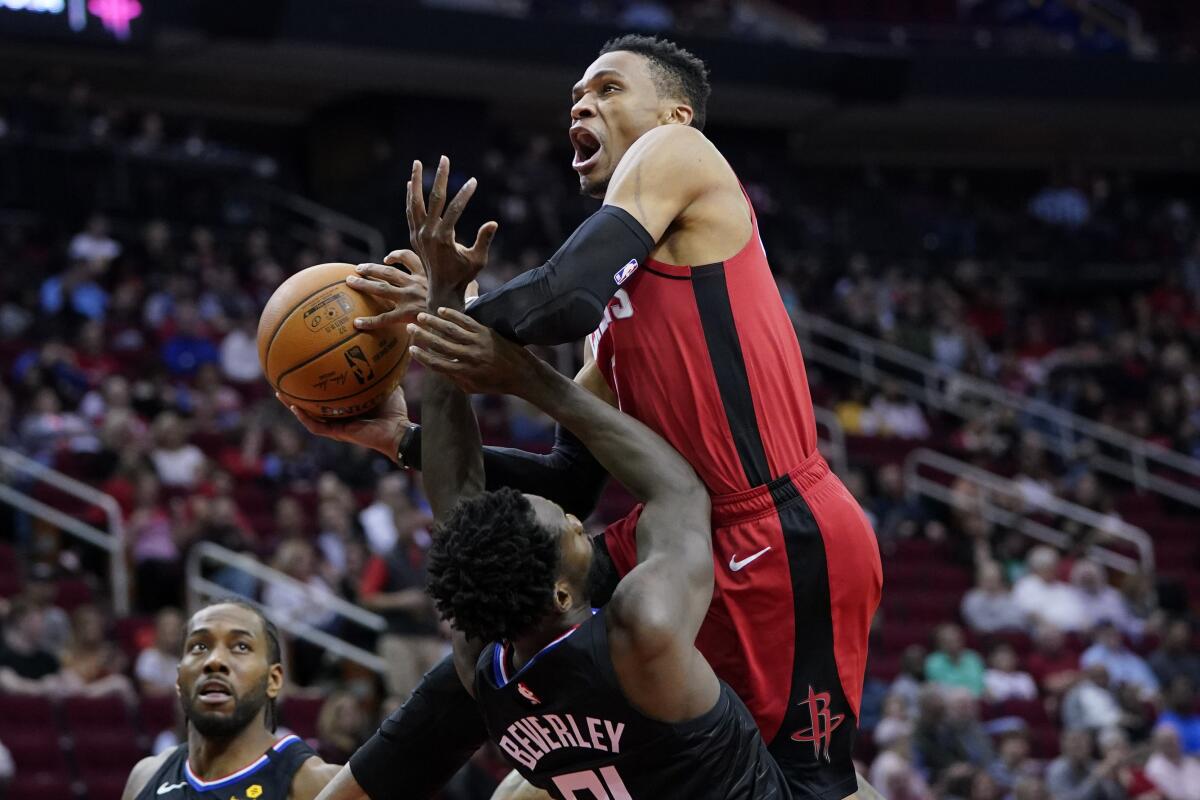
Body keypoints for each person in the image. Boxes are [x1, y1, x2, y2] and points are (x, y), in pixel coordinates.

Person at [304, 33, 882, 800]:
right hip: (671, 528)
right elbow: (566, 485)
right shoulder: (610, 329)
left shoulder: (681, 149)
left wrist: (450, 311)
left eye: (608, 89)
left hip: (780, 532)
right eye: (577, 96)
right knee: (495, 625)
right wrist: (400, 439)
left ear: (674, 111)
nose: (583, 103)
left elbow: (559, 291)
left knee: (810, 788)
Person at [415, 303, 791, 795]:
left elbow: (454, 502)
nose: (577, 520)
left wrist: (444, 310)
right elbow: (679, 492)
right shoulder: (641, 630)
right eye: (570, 529)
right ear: (562, 595)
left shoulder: (485, 670)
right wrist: (528, 378)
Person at [121, 599, 341, 800]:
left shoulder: (314, 783)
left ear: (273, 680)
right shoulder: (145, 777)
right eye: (199, 646)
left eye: (241, 647)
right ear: (179, 680)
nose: (215, 661)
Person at [924, 623, 986, 697]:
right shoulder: (933, 662)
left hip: (976, 701)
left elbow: (981, 685)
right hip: (948, 704)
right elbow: (938, 690)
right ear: (939, 643)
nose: (953, 644)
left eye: (956, 639)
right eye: (947, 641)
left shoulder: (973, 658)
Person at [136, 607, 185, 696]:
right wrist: (174, 690)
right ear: (158, 630)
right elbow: (148, 691)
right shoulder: (148, 657)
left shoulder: (182, 660)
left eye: (176, 628)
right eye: (167, 626)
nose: (171, 631)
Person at [1145, 724, 1200, 800]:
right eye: (1168, 742)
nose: (1174, 744)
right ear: (1158, 745)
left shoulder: (1190, 761)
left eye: (1176, 740)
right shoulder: (1154, 767)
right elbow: (1169, 794)